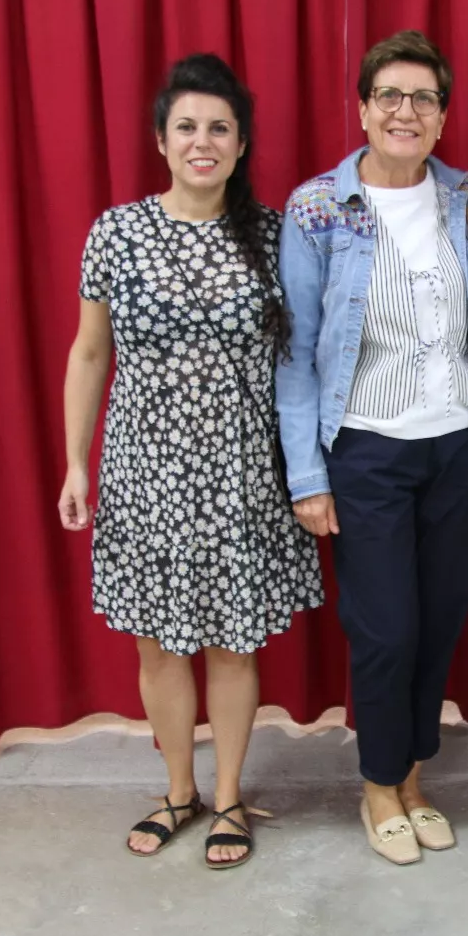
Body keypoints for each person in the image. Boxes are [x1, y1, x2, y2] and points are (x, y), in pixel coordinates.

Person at [59, 55, 324, 868]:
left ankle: (232, 798)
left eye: (219, 128)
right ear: (161, 141)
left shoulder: (276, 235)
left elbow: (308, 355)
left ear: (241, 144)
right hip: (144, 471)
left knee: (233, 644)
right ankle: (179, 790)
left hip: (242, 471)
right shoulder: (116, 232)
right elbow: (89, 353)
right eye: (187, 127)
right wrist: (77, 464)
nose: (202, 142)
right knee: (159, 644)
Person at [275, 30, 468, 866]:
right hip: (366, 450)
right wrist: (307, 476)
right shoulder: (317, 209)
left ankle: (413, 775)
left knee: (440, 620)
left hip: (461, 443)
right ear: (364, 108)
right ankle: (377, 784)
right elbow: (294, 354)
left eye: (425, 99)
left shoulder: (464, 199)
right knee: (385, 628)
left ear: (443, 117)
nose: (407, 112)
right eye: (391, 97)